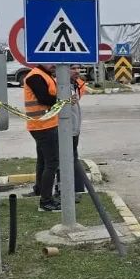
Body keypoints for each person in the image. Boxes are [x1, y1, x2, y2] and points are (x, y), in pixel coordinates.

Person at [23, 62, 62, 212]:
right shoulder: (35, 77)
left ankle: (40, 190)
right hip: (43, 126)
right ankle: (46, 201)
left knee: (43, 162)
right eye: (50, 61)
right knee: (51, 163)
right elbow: (45, 99)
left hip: (44, 125)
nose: (54, 64)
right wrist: (63, 97)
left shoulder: (45, 75)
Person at [52, 64, 88, 202]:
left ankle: (74, 190)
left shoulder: (75, 85)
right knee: (66, 160)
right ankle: (66, 190)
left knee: (70, 159)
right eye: (73, 68)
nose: (77, 71)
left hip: (73, 128)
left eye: (78, 68)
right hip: (63, 128)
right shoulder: (58, 85)